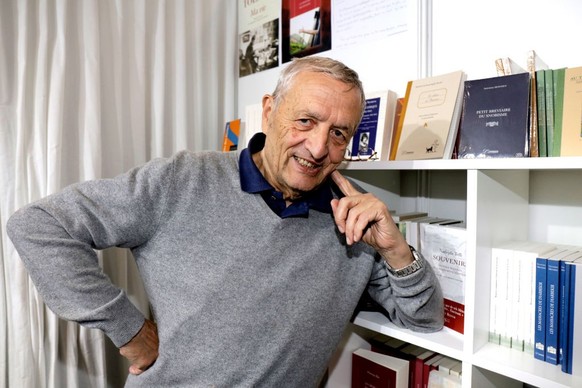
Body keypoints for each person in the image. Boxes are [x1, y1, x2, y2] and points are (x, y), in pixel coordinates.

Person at [7, 56, 443, 387]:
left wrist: (396, 250)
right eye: (306, 120)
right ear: (270, 110)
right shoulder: (183, 179)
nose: (317, 146)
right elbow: (40, 225)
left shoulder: (355, 221)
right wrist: (130, 329)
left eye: (339, 133)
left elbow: (423, 321)